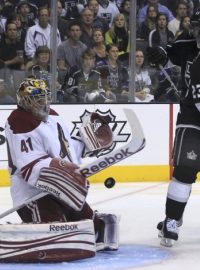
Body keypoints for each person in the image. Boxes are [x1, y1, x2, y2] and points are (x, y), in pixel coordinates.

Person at [5, 77, 119, 255]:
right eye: (36, 98)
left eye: (44, 97)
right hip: (33, 195)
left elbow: (66, 148)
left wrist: (88, 143)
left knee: (93, 228)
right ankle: (21, 234)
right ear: (24, 101)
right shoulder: (19, 120)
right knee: (56, 233)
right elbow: (30, 167)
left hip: (63, 189)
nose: (42, 102)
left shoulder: (53, 116)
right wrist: (64, 172)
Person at [147, 8, 200, 247]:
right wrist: (159, 53)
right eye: (196, 26)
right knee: (185, 170)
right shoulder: (188, 44)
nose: (197, 32)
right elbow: (168, 54)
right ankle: (172, 218)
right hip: (192, 117)